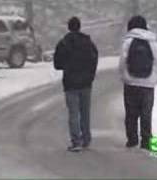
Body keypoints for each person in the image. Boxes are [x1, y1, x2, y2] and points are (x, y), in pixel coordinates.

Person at [54, 17, 98, 152]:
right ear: (79, 26)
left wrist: (68, 66)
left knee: (73, 113)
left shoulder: (64, 43)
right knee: (85, 112)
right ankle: (86, 139)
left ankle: (76, 141)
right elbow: (94, 59)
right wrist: (90, 75)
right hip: (86, 83)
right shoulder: (88, 42)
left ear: (69, 27)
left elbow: (57, 64)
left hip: (70, 83)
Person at [119, 15, 157, 150]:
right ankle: (146, 140)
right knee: (146, 112)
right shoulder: (152, 41)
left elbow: (122, 62)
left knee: (131, 112)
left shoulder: (128, 41)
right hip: (148, 84)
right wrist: (153, 79)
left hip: (131, 83)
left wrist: (125, 77)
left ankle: (132, 139)